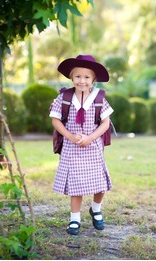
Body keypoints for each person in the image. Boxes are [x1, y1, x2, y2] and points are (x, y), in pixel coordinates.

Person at [49, 54, 113, 235]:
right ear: (71, 77)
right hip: (72, 147)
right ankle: (75, 218)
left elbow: (105, 123)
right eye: (78, 76)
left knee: (100, 183)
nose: (82, 81)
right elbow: (56, 120)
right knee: (76, 184)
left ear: (93, 79)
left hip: (93, 147)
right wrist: (69, 136)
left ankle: (96, 208)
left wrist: (90, 138)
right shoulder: (64, 97)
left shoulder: (99, 98)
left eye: (87, 77)